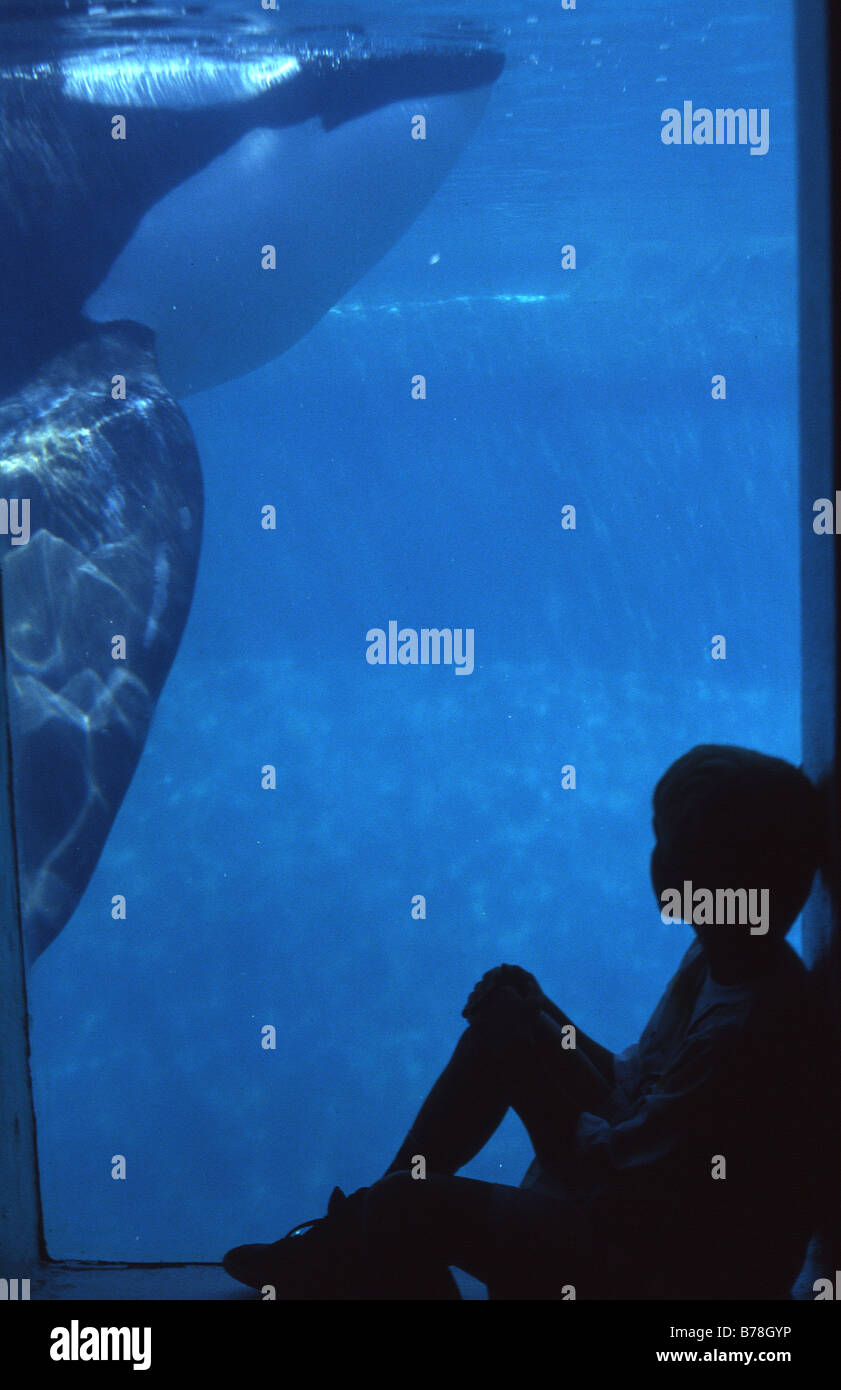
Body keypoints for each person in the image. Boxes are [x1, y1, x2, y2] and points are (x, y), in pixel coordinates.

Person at [222, 745, 829, 1299]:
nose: (655, 860)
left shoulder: (744, 1029)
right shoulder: (722, 956)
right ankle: (363, 1227)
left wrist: (535, 1079)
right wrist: (539, 1010)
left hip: (669, 1271)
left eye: (666, 842)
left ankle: (371, 1227)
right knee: (499, 1031)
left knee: (413, 1207)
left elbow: (613, 1185)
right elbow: (636, 1084)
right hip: (652, 1205)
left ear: (697, 874)